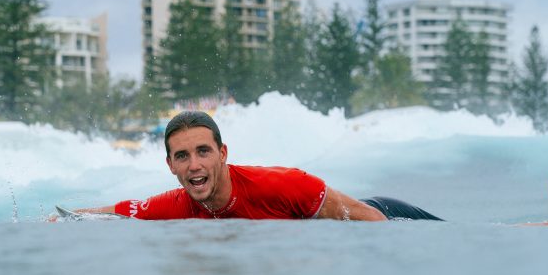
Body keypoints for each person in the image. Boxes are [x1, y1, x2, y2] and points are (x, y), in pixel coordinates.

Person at [70, 111, 443, 222]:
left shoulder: (283, 185)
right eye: (182, 156)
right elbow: (118, 212)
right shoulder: (174, 205)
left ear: (223, 153)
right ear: (170, 165)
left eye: (203, 151)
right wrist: (64, 219)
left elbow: (371, 224)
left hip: (383, 212)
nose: (194, 165)